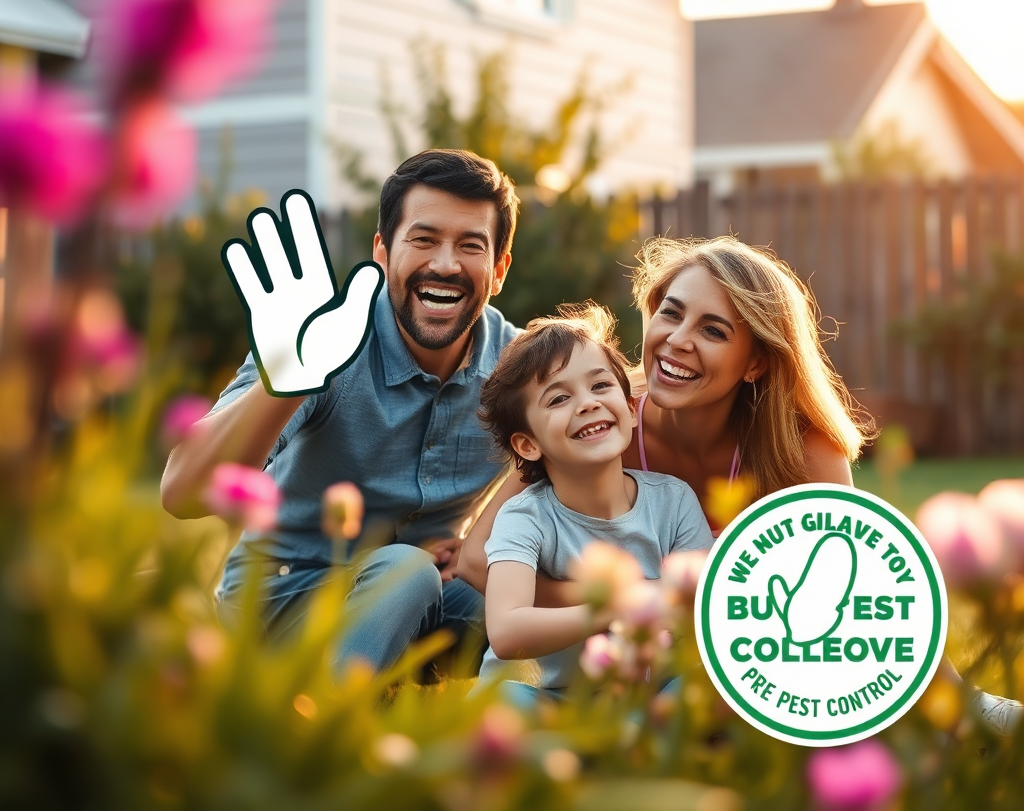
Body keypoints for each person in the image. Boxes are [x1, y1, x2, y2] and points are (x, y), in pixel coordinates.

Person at [463, 235, 1022, 733]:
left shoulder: (802, 448)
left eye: (712, 330)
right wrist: (635, 602)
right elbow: (475, 562)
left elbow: (862, 594)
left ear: (755, 363)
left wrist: (954, 697)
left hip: (728, 655)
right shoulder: (600, 417)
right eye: (671, 314)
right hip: (605, 659)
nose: (677, 340)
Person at [161, 149, 520, 672]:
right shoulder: (321, 338)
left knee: (512, 596)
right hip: (281, 603)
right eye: (423, 240)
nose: (445, 264)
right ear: (383, 250)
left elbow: (602, 413)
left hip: (418, 597)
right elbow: (181, 493)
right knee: (407, 570)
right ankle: (322, 728)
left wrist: (477, 539)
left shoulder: (515, 371)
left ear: (500, 269)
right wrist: (285, 381)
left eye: (470, 245)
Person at [475, 304, 713, 700]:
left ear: (632, 410)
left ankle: (641, 743)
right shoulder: (524, 518)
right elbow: (506, 631)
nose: (587, 403)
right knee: (502, 702)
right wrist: (620, 605)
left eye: (601, 386)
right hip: (549, 700)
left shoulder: (674, 501)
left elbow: (704, 610)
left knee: (707, 683)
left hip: (644, 699)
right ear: (528, 445)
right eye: (558, 399)